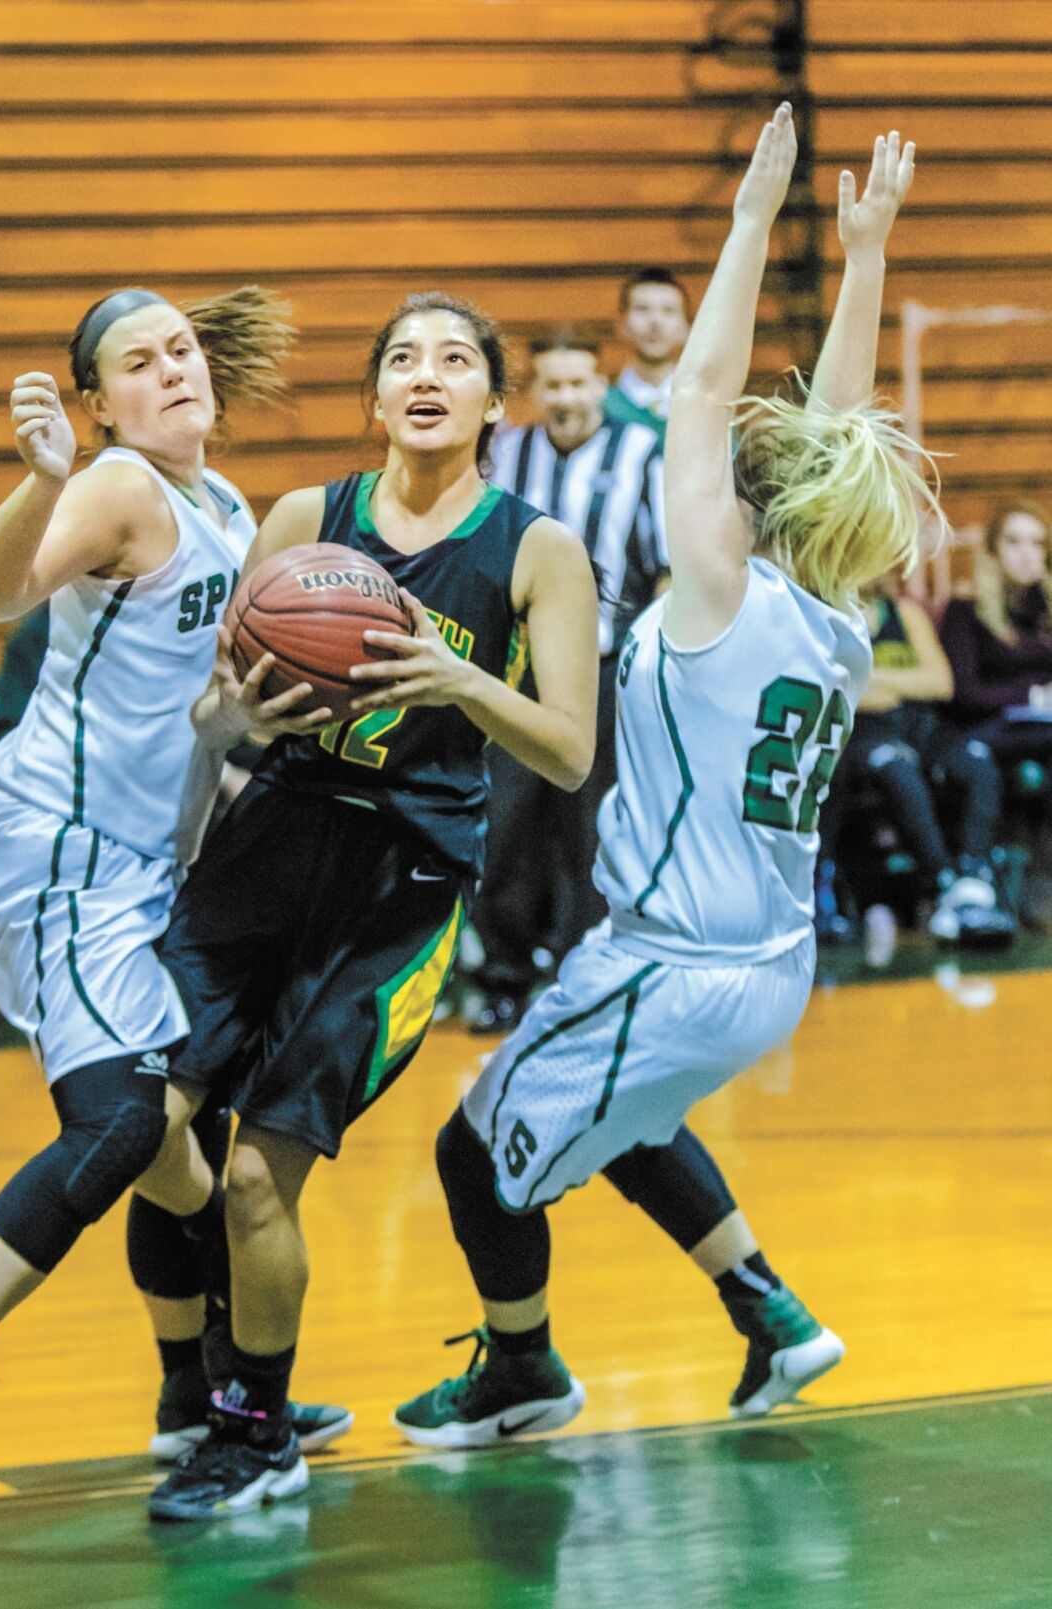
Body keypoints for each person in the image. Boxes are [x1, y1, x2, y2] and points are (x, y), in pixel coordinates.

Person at [394, 108, 939, 1447]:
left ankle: (522, 1369)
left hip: (673, 960)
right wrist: (862, 253)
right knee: (621, 1114)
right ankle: (771, 1312)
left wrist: (754, 219)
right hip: (767, 964)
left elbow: (699, 395)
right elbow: (844, 429)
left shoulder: (719, 592)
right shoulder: (833, 608)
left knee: (473, 1155)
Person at [0, 284, 347, 1525]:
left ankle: (201, 1394)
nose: (173, 370)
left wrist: (254, 717)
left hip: (141, 867)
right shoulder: (116, 487)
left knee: (177, 1147)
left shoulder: (224, 508)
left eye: (181, 348)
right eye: (139, 361)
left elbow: (198, 719)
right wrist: (36, 481)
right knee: (123, 1125)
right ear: (98, 401)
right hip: (59, 854)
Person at [142, 290, 601, 1520]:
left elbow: (565, 750)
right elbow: (212, 710)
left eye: (455, 360)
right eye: (401, 358)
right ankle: (208, 1376)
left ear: (493, 402)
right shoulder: (307, 518)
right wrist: (244, 714)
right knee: (139, 1122)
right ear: (375, 396)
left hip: (400, 881)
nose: (425, 375)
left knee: (254, 1179)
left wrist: (460, 675)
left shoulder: (536, 549)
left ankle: (250, 1428)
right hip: (265, 843)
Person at [472, 328, 665, 1029]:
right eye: (552, 384)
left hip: (605, 666)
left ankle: (588, 976)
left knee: (595, 828)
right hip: (518, 669)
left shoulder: (641, 452)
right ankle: (504, 973)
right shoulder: (506, 454)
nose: (566, 398)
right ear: (536, 391)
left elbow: (664, 568)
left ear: (600, 387)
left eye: (579, 383)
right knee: (504, 825)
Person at [816, 577, 1013, 946]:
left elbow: (940, 682)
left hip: (920, 726)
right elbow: (834, 691)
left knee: (978, 763)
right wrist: (899, 683)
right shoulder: (824, 614)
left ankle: (973, 878)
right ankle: (944, 887)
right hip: (864, 734)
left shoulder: (904, 613)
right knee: (898, 769)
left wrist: (871, 679)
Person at [938, 499, 1052, 797]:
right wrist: (1034, 696)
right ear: (991, 551)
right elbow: (964, 693)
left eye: (1037, 543)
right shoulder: (966, 611)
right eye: (1013, 542)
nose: (1027, 554)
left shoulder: (1046, 611)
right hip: (986, 729)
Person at [603, 266, 690, 433]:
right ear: (621, 324)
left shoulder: (706, 406)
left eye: (668, 310)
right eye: (642, 309)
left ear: (687, 328)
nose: (655, 321)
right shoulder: (600, 406)